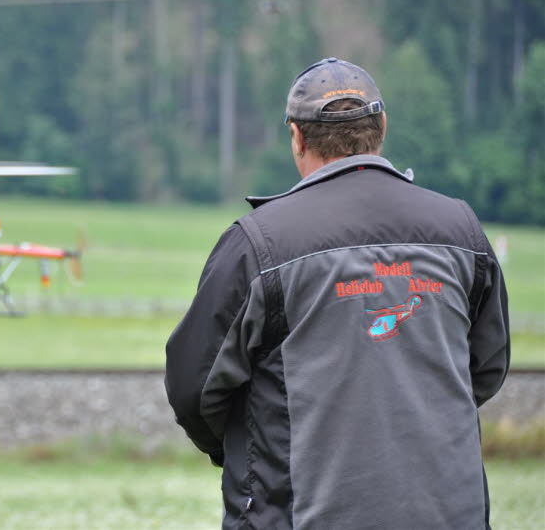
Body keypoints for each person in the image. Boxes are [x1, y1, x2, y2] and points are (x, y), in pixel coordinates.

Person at [164, 57, 509, 530]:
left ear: (297, 137)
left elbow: (194, 388)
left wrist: (247, 449)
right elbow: (485, 370)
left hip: (297, 514)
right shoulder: (462, 231)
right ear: (381, 126)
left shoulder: (258, 243)